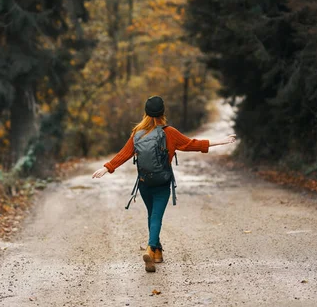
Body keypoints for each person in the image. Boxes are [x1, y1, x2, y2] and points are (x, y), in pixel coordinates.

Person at [92, 95, 236, 272]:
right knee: (156, 217)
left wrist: (106, 168)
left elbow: (124, 154)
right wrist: (223, 141)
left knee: (152, 215)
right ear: (163, 112)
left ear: (145, 112)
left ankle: (157, 252)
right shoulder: (169, 132)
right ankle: (151, 249)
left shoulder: (138, 133)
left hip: (144, 183)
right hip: (162, 182)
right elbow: (193, 144)